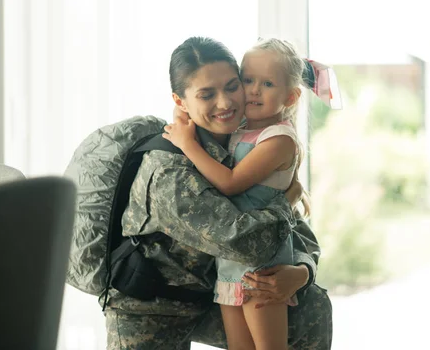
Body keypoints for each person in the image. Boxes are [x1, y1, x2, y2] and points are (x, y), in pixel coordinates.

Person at [104, 37, 332, 350]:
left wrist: (302, 272)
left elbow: (297, 232)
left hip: (207, 294)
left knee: (311, 308)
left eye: (232, 85)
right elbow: (244, 239)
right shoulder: (171, 169)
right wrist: (287, 200)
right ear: (180, 101)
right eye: (207, 94)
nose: (225, 103)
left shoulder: (241, 141)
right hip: (153, 309)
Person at [163, 38, 313, 350]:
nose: (254, 91)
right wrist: (183, 120)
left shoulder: (279, 139)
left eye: (267, 83)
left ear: (291, 95)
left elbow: (231, 183)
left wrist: (187, 143)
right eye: (248, 80)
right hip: (230, 266)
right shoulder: (241, 128)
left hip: (263, 267)